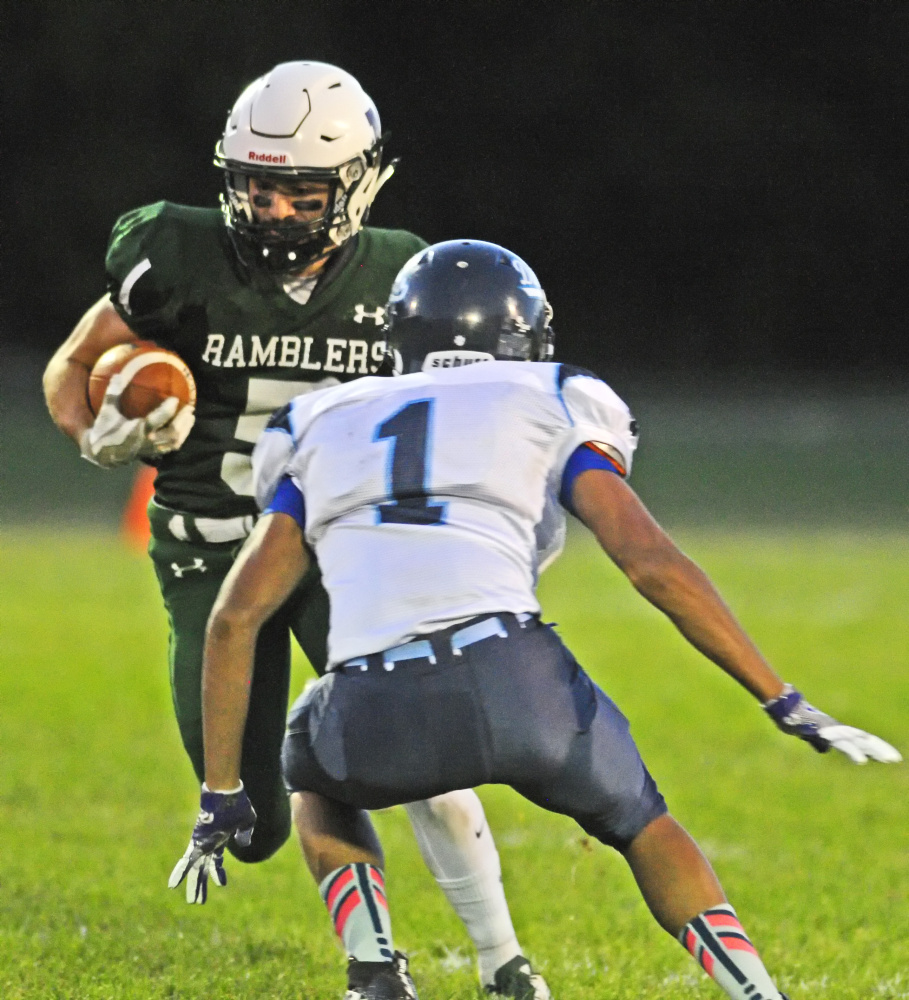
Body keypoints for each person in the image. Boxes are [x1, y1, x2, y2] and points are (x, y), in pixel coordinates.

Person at [170, 239, 901, 1000]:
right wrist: (778, 697)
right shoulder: (551, 394)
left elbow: (235, 616)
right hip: (518, 682)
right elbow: (650, 563)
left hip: (371, 699)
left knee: (313, 772)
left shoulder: (319, 419)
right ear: (520, 330)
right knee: (644, 824)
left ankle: (373, 969)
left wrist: (221, 791)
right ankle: (756, 991)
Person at [43, 66, 549, 999]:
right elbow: (73, 363)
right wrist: (94, 433)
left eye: (299, 192)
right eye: (254, 186)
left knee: (422, 749)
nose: (273, 211)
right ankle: (372, 946)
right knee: (255, 820)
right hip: (206, 554)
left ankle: (497, 961)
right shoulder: (174, 253)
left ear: (356, 184)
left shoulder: (403, 270)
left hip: (340, 558)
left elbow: (455, 415)